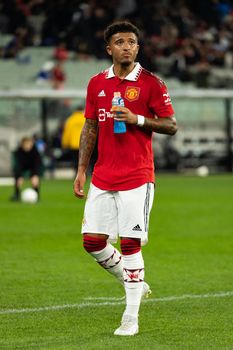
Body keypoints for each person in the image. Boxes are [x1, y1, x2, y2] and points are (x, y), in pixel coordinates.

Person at [73, 21, 177, 336]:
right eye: (120, 42)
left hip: (137, 175)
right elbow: (90, 126)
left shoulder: (151, 83)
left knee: (130, 243)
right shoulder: (96, 83)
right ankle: (134, 281)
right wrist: (81, 169)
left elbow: (170, 125)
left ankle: (130, 317)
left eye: (132, 41)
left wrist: (138, 119)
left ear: (137, 47)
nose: (127, 46)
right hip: (103, 175)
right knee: (92, 242)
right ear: (109, 49)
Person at [10, 136, 42, 201]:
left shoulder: (35, 152)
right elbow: (18, 165)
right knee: (18, 179)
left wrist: (34, 174)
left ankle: (36, 195)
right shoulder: (18, 152)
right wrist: (20, 175)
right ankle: (17, 194)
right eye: (26, 144)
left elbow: (37, 163)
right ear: (22, 144)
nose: (27, 146)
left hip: (33, 167)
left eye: (29, 143)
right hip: (22, 167)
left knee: (35, 179)